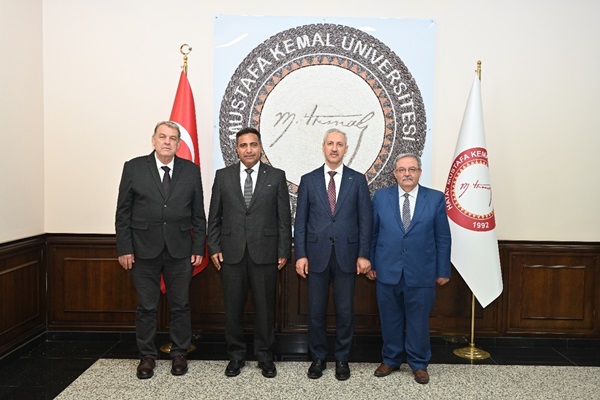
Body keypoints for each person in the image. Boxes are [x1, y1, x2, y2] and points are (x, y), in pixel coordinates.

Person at [115, 121, 206, 379]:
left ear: (178, 143)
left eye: (173, 138)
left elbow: (198, 214)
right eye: (163, 137)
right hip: (142, 250)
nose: (167, 142)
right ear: (153, 140)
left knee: (181, 305)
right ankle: (147, 356)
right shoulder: (133, 168)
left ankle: (179, 353)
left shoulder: (190, 170)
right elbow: (122, 213)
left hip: (180, 250)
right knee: (146, 306)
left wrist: (198, 246)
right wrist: (125, 248)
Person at [207, 127, 292, 378]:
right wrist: (214, 247)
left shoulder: (276, 176)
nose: (248, 150)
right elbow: (214, 217)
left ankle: (265, 356)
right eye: (243, 145)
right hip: (231, 254)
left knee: (265, 309)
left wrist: (283, 250)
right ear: (236, 149)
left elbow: (283, 218)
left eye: (253, 144)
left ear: (260, 147)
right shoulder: (223, 176)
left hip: (265, 253)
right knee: (233, 309)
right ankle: (235, 356)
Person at [294, 128, 372, 381]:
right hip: (315, 256)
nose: (335, 148)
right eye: (330, 143)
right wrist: (300, 254)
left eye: (339, 144)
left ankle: (342, 359)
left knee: (345, 311)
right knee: (315, 311)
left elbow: (365, 221)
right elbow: (300, 222)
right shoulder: (308, 180)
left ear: (346, 149)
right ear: (323, 147)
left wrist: (363, 254)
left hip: (347, 256)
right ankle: (318, 358)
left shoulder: (357, 180)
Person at [367, 153, 451, 384]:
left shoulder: (435, 198)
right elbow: (373, 233)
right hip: (387, 270)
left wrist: (443, 270)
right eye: (402, 170)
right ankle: (390, 359)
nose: (407, 174)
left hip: (422, 272)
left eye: (412, 169)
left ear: (419, 172)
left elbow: (443, 237)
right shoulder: (381, 197)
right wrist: (371, 263)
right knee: (390, 319)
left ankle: (419, 363)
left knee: (418, 321)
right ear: (394, 173)